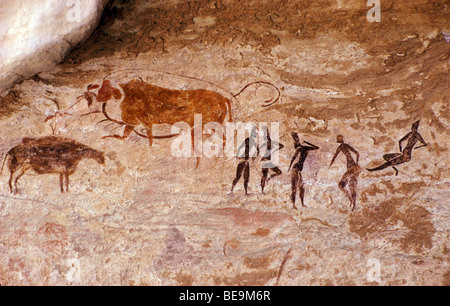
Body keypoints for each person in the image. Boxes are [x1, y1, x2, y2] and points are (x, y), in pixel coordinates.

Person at [330, 135, 361, 211]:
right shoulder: (340, 147)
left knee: (352, 185)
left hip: (353, 168)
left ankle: (354, 204)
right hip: (350, 168)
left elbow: (357, 153)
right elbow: (334, 156)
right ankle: (351, 199)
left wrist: (357, 163)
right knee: (341, 185)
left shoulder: (344, 146)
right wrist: (330, 164)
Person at [288, 133, 319, 209]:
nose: (296, 141)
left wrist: (306, 142)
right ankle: (294, 205)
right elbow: (293, 158)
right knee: (295, 187)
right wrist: (289, 168)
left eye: (296, 139)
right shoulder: (299, 149)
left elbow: (316, 147)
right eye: (295, 140)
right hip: (296, 169)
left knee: (301, 188)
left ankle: (301, 204)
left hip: (298, 170)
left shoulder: (304, 148)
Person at [231, 127, 259, 195]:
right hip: (243, 160)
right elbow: (240, 147)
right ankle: (232, 190)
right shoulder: (248, 140)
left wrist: (253, 158)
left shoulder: (254, 142)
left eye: (255, 134)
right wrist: (238, 155)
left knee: (246, 177)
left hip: (246, 160)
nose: (255, 135)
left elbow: (258, 150)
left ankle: (245, 192)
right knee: (238, 176)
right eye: (254, 133)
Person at [260, 126, 284, 194]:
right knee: (265, 175)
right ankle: (262, 189)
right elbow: (281, 146)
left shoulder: (269, 142)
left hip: (266, 161)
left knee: (267, 175)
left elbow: (281, 146)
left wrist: (275, 149)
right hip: (265, 161)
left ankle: (266, 183)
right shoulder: (265, 143)